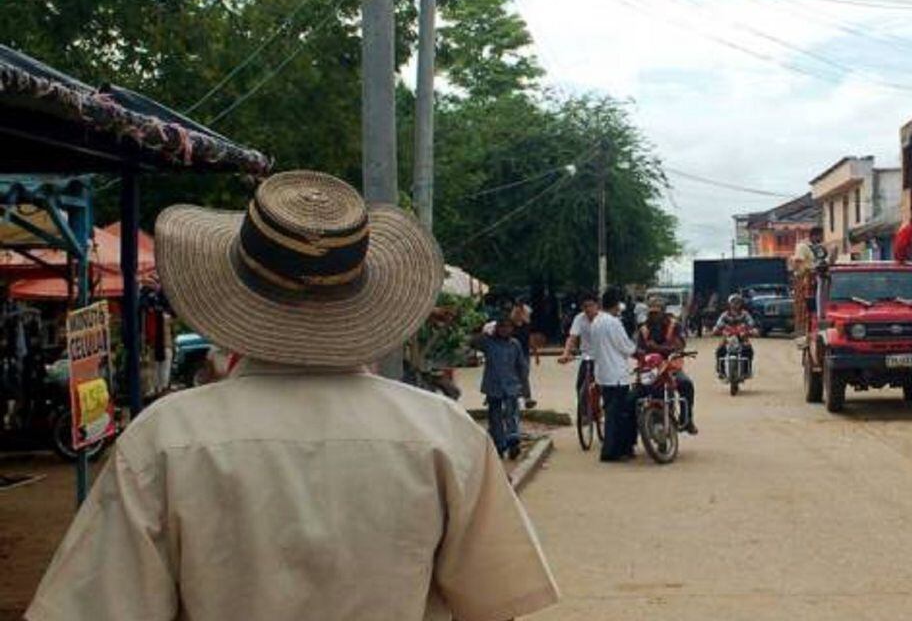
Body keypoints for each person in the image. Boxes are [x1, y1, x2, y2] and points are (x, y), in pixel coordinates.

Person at [25, 171, 558, 621]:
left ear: (235, 292)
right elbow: (493, 605)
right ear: (365, 300)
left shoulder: (165, 440)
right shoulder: (443, 435)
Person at [471, 315, 532, 460]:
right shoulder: (488, 343)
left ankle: (513, 441)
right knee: (495, 417)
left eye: (508, 327)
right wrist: (484, 331)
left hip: (511, 385)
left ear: (512, 329)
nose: (505, 330)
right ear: (496, 328)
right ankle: (499, 443)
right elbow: (473, 342)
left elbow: (522, 367)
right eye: (502, 327)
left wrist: (526, 391)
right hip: (493, 386)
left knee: (512, 414)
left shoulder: (515, 344)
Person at [636, 297, 697, 435]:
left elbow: (679, 345)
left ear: (663, 312)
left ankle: (687, 419)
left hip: (670, 367)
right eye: (651, 313)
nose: (654, 316)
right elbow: (639, 348)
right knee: (634, 394)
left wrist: (657, 348)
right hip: (650, 369)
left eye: (657, 313)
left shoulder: (674, 326)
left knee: (686, 384)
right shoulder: (643, 329)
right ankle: (635, 427)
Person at [592, 287, 639, 462]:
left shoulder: (596, 321)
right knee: (618, 414)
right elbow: (625, 346)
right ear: (616, 305)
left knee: (611, 412)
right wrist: (637, 351)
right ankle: (613, 450)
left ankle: (614, 448)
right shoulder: (613, 323)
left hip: (603, 374)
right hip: (617, 374)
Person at [558, 292, 600, 402]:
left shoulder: (604, 319)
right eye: (585, 306)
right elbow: (572, 337)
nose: (588, 309)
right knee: (581, 387)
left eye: (591, 305)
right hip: (586, 357)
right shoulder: (579, 318)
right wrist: (566, 354)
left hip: (602, 358)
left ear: (597, 305)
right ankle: (583, 412)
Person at [791, 226, 831, 334]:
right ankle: (803, 331)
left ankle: (815, 328)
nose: (822, 239)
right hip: (806, 280)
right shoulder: (802, 246)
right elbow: (797, 263)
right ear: (814, 235)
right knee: (805, 307)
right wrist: (804, 274)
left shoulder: (819, 248)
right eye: (820, 236)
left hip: (818, 279)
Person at [715, 294, 757, 376]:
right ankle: (721, 370)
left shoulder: (745, 314)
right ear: (729, 303)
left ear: (741, 304)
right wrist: (719, 329)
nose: (735, 304)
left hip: (741, 336)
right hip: (728, 336)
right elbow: (718, 324)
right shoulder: (725, 315)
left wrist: (750, 330)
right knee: (720, 349)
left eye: (737, 302)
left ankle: (747, 370)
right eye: (733, 302)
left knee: (748, 349)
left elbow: (751, 323)